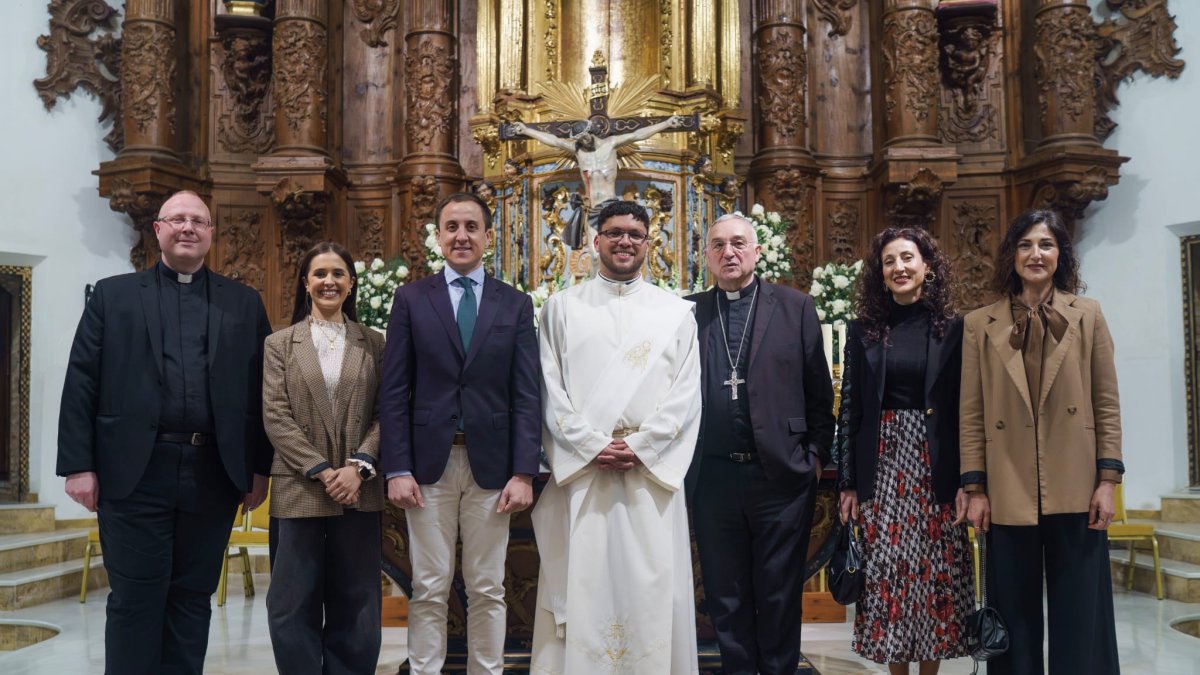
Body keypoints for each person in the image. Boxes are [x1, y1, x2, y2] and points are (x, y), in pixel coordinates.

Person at [57, 190, 272, 674]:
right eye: (177, 219)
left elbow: (263, 390)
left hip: (213, 471)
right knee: (135, 597)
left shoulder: (244, 303)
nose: (188, 228)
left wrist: (260, 468)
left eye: (198, 220)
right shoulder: (113, 296)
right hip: (134, 470)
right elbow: (82, 380)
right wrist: (78, 465)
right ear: (158, 230)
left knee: (193, 598)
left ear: (211, 233)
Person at [531, 200, 702, 675]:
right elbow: (549, 390)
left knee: (653, 585)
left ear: (648, 243)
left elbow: (686, 395)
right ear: (596, 241)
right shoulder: (562, 309)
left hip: (650, 474)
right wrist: (591, 446)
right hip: (586, 472)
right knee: (584, 582)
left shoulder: (675, 313)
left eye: (634, 234)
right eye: (614, 233)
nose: (624, 241)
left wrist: (642, 447)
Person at [380, 192, 542, 675]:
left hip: (492, 467)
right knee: (429, 585)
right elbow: (394, 390)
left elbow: (527, 394)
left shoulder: (514, 304)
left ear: (488, 237)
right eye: (451, 227)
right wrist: (397, 466)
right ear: (438, 236)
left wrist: (524, 472)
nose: (461, 235)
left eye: (471, 227)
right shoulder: (412, 299)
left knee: (488, 586)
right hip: (427, 466)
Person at [961, 208, 1123, 674]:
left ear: (1060, 255)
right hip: (1007, 486)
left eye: (1046, 245)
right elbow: (971, 413)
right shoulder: (979, 323)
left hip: (1077, 484)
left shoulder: (1088, 315)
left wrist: (1107, 482)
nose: (1036, 254)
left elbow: (1107, 403)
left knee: (1082, 613)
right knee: (1013, 616)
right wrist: (975, 488)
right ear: (1012, 256)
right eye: (1026, 245)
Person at [685, 213, 835, 675]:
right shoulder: (688, 312)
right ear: (707, 256)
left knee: (778, 594)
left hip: (780, 477)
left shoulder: (795, 307)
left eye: (738, 243)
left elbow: (819, 392)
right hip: (712, 478)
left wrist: (813, 457)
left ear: (756, 251)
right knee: (725, 595)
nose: (728, 252)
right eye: (718, 245)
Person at [835, 227, 973, 675]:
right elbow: (851, 407)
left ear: (927, 266)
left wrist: (970, 481)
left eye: (908, 258)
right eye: (889, 261)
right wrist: (848, 482)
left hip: (937, 465)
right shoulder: (864, 330)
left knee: (934, 576)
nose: (899, 267)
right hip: (883, 465)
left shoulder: (954, 329)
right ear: (880, 273)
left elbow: (965, 408)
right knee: (889, 575)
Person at [262, 241, 387, 674]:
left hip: (358, 489)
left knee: (358, 602)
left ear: (351, 283)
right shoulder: (280, 344)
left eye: (337, 273)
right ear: (305, 282)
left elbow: (386, 412)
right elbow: (275, 414)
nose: (328, 281)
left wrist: (359, 466)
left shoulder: (374, 342)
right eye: (320, 273)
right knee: (291, 603)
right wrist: (320, 469)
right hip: (299, 487)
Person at [510, 115, 687, 249]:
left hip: (610, 207)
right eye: (579, 140)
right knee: (595, 256)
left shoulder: (611, 144)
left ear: (591, 132)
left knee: (612, 250)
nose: (583, 142)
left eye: (585, 137)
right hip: (591, 209)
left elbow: (636, 134)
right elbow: (555, 141)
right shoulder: (579, 151)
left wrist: (666, 124)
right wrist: (525, 130)